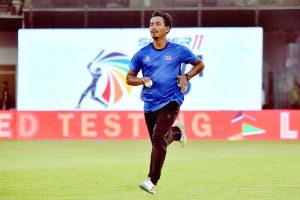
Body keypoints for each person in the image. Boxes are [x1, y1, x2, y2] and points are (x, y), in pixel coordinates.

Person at [126, 10, 205, 194]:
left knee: (157, 138)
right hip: (150, 104)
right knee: (158, 140)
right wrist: (141, 80)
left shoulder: (179, 50)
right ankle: (177, 132)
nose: (153, 27)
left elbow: (200, 64)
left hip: (172, 100)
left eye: (158, 24)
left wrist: (186, 76)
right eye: (151, 24)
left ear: (167, 29)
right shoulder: (142, 54)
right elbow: (129, 78)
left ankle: (151, 181)